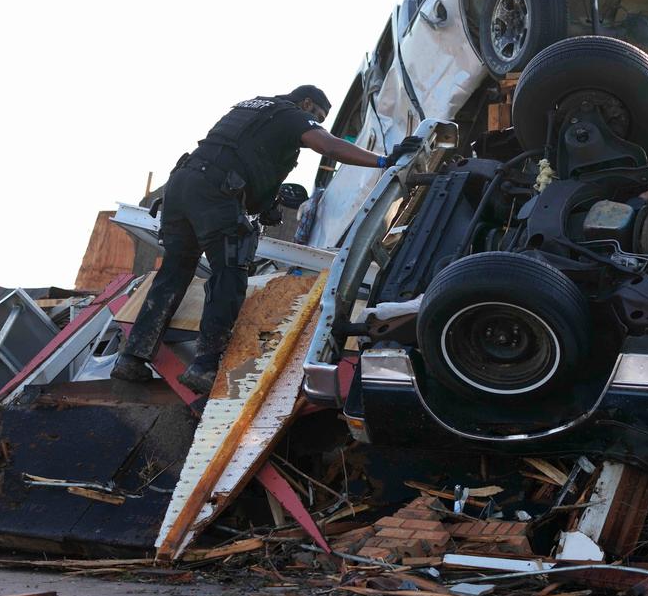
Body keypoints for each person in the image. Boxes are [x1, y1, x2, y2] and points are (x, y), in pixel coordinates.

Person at [111, 85, 422, 393]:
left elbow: (241, 156)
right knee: (230, 273)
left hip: (181, 186)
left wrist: (266, 201)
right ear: (306, 103)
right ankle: (204, 365)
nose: (319, 123)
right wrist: (384, 161)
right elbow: (327, 146)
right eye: (318, 116)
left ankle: (132, 357)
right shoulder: (290, 114)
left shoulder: (251, 107)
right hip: (214, 190)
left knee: (173, 273)